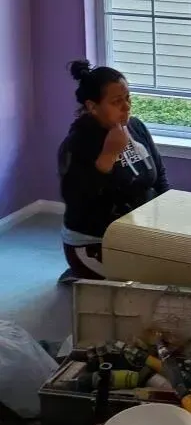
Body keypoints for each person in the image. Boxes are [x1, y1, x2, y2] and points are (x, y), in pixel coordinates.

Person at [58, 60, 169, 280]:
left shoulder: (135, 127)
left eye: (128, 98)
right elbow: (79, 201)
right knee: (152, 286)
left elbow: (160, 177)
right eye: (117, 101)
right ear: (92, 106)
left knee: (189, 266)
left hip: (137, 233)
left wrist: (170, 217)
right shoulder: (78, 143)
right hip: (96, 240)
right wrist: (108, 155)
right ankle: (81, 272)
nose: (126, 107)